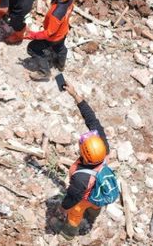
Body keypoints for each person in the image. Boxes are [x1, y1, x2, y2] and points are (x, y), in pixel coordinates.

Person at [58, 86, 111, 240]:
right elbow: (92, 120)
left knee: (75, 212)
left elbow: (73, 196)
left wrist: (64, 206)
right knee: (95, 204)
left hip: (85, 196)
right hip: (98, 189)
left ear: (85, 156)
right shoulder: (103, 147)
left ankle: (68, 234)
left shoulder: (81, 178)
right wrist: (76, 96)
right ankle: (94, 213)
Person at [25, 0, 75, 81]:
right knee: (60, 48)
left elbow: (49, 34)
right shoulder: (69, 0)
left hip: (53, 37)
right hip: (63, 32)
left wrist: (30, 35)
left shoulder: (56, 14)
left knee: (33, 48)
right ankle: (60, 65)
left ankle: (44, 72)